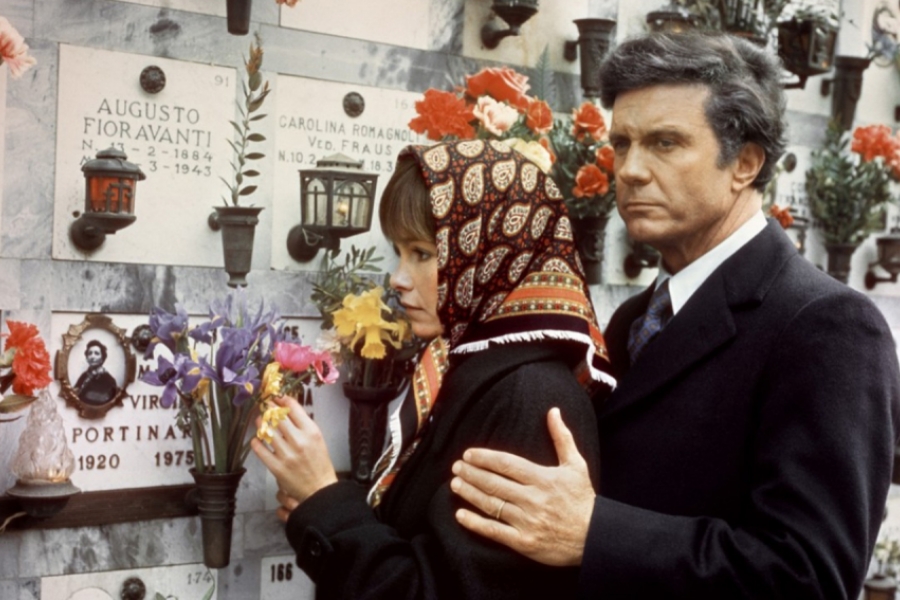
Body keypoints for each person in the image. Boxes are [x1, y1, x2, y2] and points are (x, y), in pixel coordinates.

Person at [449, 31, 900, 599]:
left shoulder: (826, 326)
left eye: (665, 143)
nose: (630, 170)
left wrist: (595, 532)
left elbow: (809, 576)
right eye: (623, 143)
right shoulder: (635, 318)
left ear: (746, 163)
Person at [252, 139, 616, 599]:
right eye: (398, 252)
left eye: (422, 253)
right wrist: (321, 508)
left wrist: (327, 500)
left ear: (490, 252)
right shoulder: (462, 368)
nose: (398, 279)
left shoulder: (530, 401)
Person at [74, 339, 118, 406]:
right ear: (86, 357)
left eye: (96, 353)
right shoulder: (84, 376)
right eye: (89, 353)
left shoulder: (108, 379)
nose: (92, 357)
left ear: (102, 358)